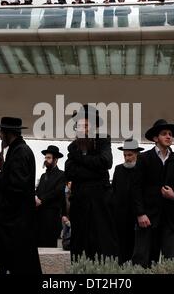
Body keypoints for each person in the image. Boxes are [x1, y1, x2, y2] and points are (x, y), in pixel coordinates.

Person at [65, 105, 118, 260]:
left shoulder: (103, 140)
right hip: (80, 202)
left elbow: (106, 162)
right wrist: (93, 169)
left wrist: (80, 160)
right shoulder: (73, 147)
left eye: (86, 125)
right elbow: (69, 172)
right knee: (80, 244)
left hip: (100, 201)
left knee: (102, 242)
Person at [0, 117, 41, 274]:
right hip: (14, 221)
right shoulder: (16, 150)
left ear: (7, 133)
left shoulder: (20, 152)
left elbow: (17, 187)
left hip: (14, 222)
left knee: (20, 263)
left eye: (1, 132)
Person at [132, 119, 174, 267]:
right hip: (148, 218)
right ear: (155, 138)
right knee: (145, 259)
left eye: (170, 134)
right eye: (164, 134)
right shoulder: (143, 158)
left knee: (172, 258)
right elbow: (136, 188)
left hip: (169, 218)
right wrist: (140, 213)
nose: (168, 136)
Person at [112, 138, 143, 264]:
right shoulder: (118, 169)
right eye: (125, 155)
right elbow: (113, 191)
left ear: (137, 154)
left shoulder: (142, 170)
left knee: (138, 248)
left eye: (130, 155)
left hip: (138, 216)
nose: (127, 158)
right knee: (122, 249)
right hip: (121, 216)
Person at [35, 145, 66, 247]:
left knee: (49, 244)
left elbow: (57, 192)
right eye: (45, 158)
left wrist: (42, 200)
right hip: (39, 215)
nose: (46, 160)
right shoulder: (43, 176)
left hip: (52, 215)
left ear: (55, 160)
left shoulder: (61, 175)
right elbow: (38, 190)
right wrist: (36, 197)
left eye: (48, 158)